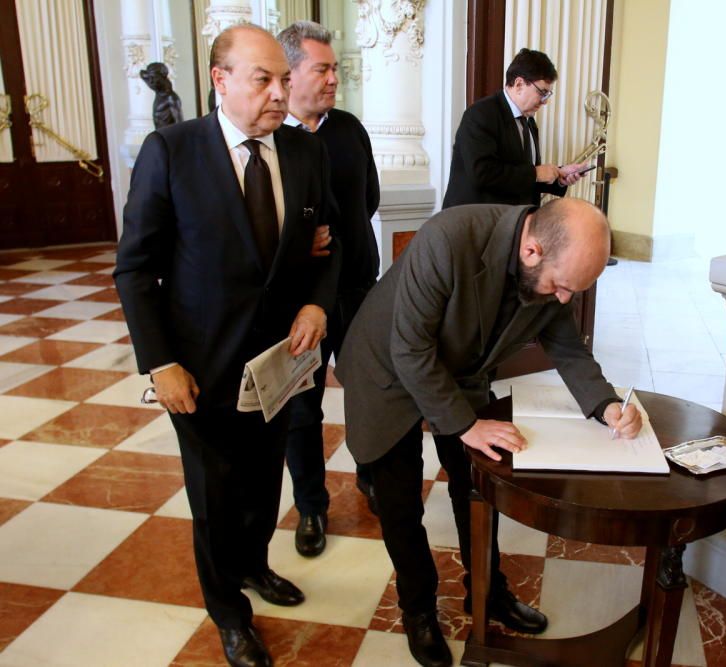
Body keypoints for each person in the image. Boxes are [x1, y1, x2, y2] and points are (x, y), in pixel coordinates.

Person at [114, 24, 341, 667]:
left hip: (279, 364)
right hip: (199, 367)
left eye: (283, 77)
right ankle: (229, 611)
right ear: (220, 80)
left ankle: (253, 567)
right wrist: (161, 363)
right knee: (215, 494)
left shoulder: (303, 153)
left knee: (266, 479)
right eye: (262, 78)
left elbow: (329, 245)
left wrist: (317, 301)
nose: (281, 90)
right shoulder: (172, 151)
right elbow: (134, 269)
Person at [335, 197, 642, 667]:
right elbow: (411, 350)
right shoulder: (448, 238)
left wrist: (606, 406)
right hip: (387, 370)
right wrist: (466, 425)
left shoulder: (551, 270)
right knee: (399, 503)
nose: (564, 299)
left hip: (460, 370)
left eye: (572, 292)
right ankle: (418, 610)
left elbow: (567, 347)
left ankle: (487, 592)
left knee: (479, 485)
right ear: (532, 251)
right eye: (562, 287)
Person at [276, 20, 381, 558]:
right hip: (302, 300)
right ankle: (312, 506)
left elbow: (369, 198)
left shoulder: (348, 128)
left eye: (335, 69)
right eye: (322, 69)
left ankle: (370, 475)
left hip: (359, 286)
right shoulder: (272, 140)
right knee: (303, 406)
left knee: (368, 389)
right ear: (289, 74)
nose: (333, 79)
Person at [442, 48, 589, 209]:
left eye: (548, 94)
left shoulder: (529, 122)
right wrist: (536, 173)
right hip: (475, 224)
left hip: (512, 223)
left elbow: (522, 180)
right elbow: (482, 174)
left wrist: (559, 176)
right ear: (519, 84)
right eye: (542, 92)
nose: (545, 101)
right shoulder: (480, 114)